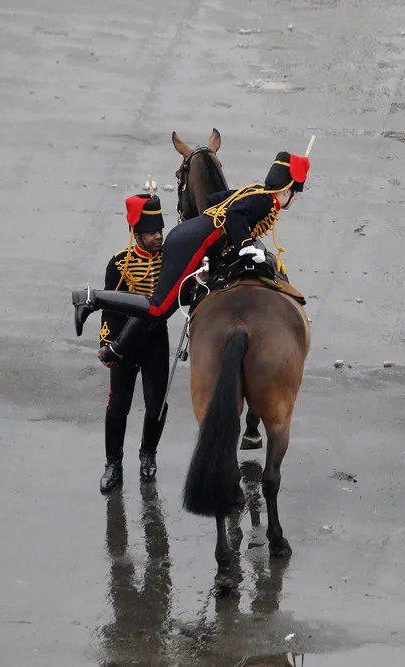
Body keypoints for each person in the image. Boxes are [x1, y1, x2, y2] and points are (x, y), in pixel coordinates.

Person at [70, 150, 310, 363]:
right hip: (193, 243)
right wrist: (246, 246)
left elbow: (215, 200)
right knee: (157, 308)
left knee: (172, 301)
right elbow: (236, 215)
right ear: (286, 190)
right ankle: (91, 297)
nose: (295, 199)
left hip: (193, 236)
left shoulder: (257, 192)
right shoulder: (265, 201)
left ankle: (118, 348)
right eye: (295, 193)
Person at [98, 193, 170, 493]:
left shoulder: (170, 260)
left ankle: (148, 454)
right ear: (137, 234)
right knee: (118, 408)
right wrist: (108, 344)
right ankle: (113, 464)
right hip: (126, 344)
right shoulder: (119, 263)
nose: (158, 237)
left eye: (160, 231)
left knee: (156, 404)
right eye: (152, 233)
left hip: (156, 341)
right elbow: (110, 308)